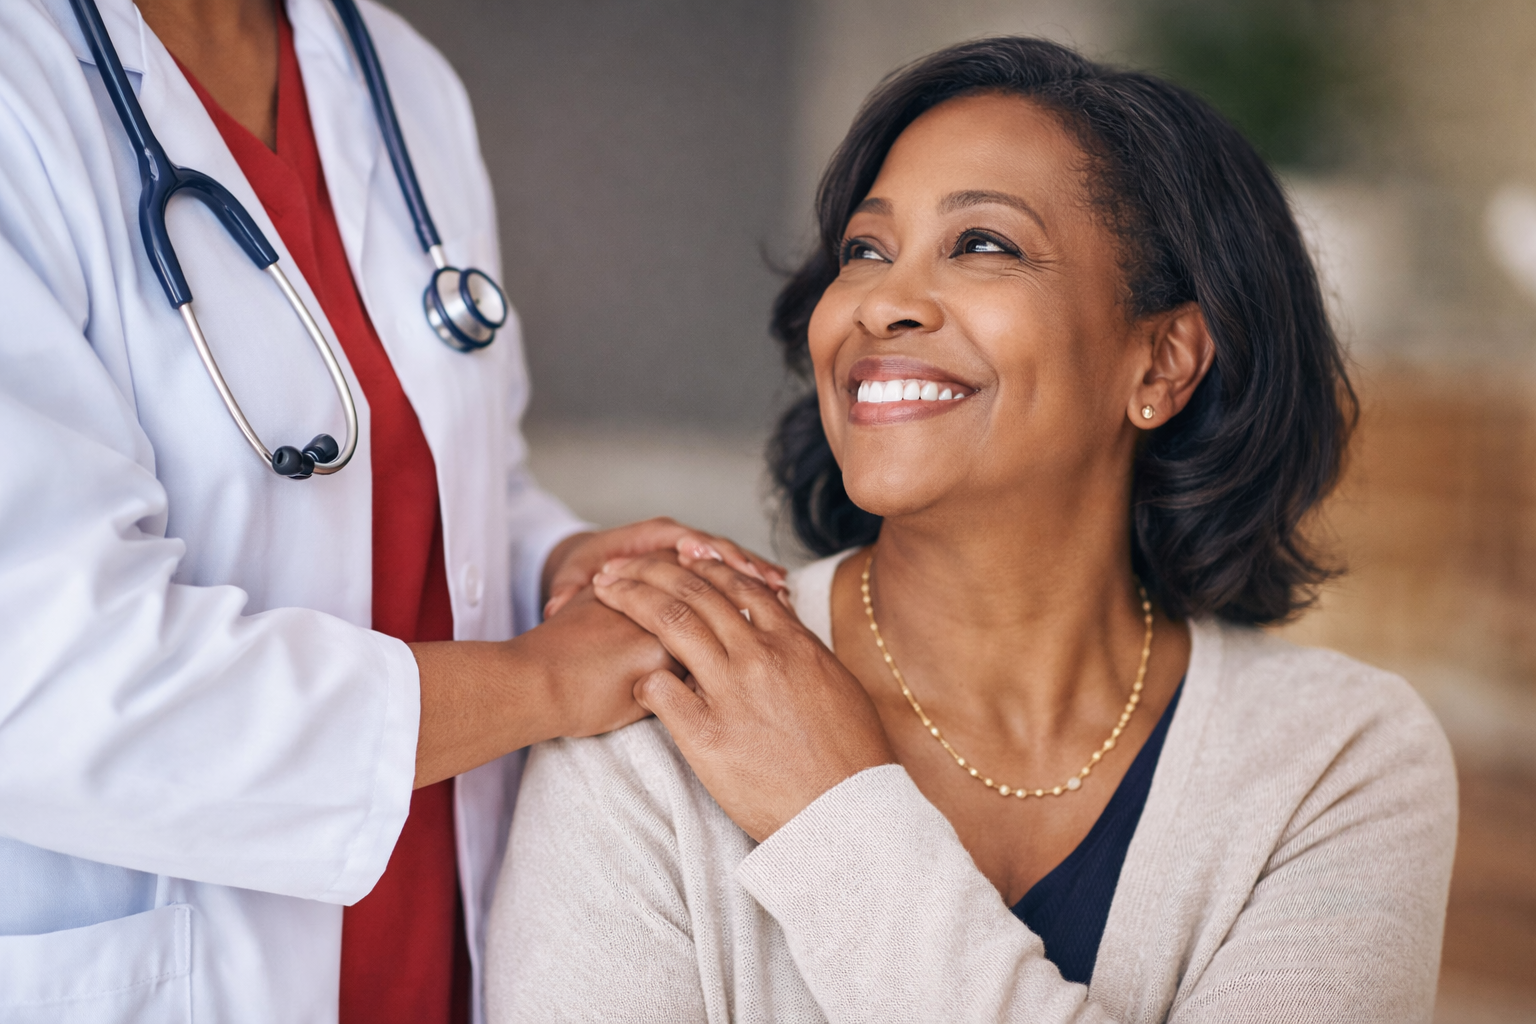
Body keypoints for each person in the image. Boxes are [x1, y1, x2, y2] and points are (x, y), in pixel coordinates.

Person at [486, 37, 1458, 1023]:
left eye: (982, 244)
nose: (883, 304)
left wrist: (832, 813)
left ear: (1161, 364)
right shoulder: (657, 699)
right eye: (865, 251)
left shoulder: (1338, 759)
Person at [0, 0, 781, 1021]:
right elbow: (46, 670)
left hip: (437, 952)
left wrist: (560, 566)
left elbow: (458, 483)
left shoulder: (397, 76)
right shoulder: (24, 89)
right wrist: (539, 679)